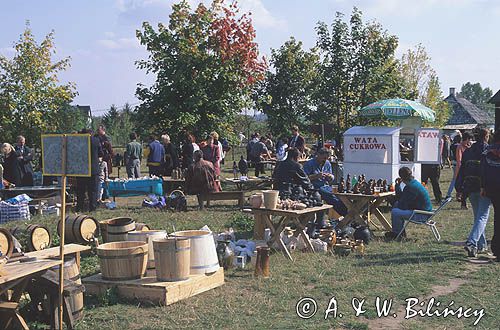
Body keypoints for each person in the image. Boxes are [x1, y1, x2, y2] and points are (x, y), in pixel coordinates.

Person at [456, 128, 490, 257]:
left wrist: (459, 189)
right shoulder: (488, 150)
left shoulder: (468, 151)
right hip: (484, 188)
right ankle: (472, 242)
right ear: (486, 136)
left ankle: (481, 246)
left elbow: (462, 170)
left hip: (470, 187)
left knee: (478, 217)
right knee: (482, 217)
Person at [387, 167, 432, 239]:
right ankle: (399, 232)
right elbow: (404, 198)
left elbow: (403, 205)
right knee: (396, 206)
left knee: (395, 212)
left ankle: (398, 234)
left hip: (422, 214)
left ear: (401, 178)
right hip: (425, 211)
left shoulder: (410, 187)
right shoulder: (414, 183)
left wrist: (392, 200)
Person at [303, 147, 348, 219]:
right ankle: (346, 215)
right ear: (318, 155)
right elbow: (304, 178)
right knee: (332, 197)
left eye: (327, 158)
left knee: (341, 196)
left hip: (326, 186)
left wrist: (330, 177)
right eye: (323, 158)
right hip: (315, 188)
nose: (325, 160)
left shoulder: (327, 163)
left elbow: (331, 177)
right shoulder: (309, 164)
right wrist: (316, 176)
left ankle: (349, 213)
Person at [481, 130, 500, 262]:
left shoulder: (488, 150)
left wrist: (483, 187)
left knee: (497, 217)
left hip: (491, 188)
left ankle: (496, 248)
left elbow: (482, 170)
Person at [76, 129, 103, 212]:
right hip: (93, 169)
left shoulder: (78, 142)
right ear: (90, 133)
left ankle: (79, 207)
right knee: (93, 191)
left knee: (80, 191)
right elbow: (100, 153)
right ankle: (92, 208)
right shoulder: (95, 141)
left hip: (81, 169)